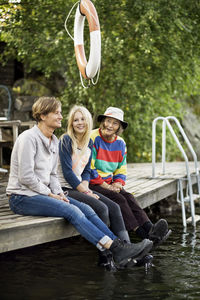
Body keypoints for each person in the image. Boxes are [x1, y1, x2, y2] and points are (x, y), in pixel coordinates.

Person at [6, 97, 153, 270]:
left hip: (43, 193)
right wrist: (50, 194)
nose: (61, 116)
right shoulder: (28, 139)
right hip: (22, 197)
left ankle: (121, 250)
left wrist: (58, 193)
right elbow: (26, 177)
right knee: (72, 210)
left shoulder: (53, 141)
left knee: (89, 209)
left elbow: (53, 174)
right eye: (57, 113)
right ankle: (116, 248)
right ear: (43, 115)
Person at [57, 105, 134, 268]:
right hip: (64, 188)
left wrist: (86, 187)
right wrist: (86, 191)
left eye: (83, 119)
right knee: (102, 208)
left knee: (114, 207)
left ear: (89, 121)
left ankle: (128, 249)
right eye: (76, 120)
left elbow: (86, 171)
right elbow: (68, 173)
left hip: (79, 187)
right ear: (71, 123)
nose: (79, 123)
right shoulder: (66, 140)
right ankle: (105, 256)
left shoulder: (88, 142)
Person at [89, 107, 171, 247]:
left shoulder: (120, 143)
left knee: (130, 198)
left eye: (115, 123)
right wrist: (106, 186)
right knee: (119, 199)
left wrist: (119, 183)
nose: (110, 125)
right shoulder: (93, 137)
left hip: (110, 182)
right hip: (92, 182)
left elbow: (121, 167)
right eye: (108, 121)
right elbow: (89, 168)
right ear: (103, 121)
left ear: (119, 128)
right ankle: (142, 235)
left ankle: (151, 229)